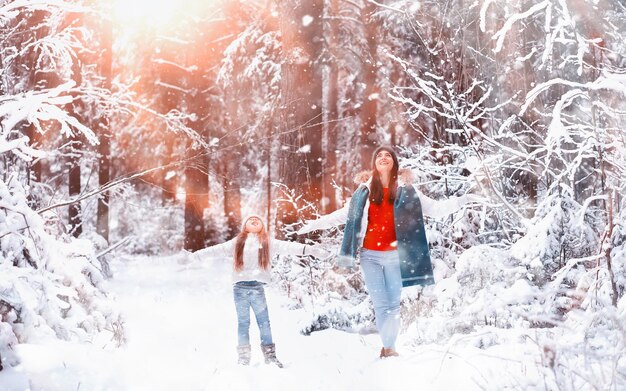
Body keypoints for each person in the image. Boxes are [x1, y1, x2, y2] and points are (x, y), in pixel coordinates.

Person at [298, 145, 480, 358]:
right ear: (374, 163)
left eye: (388, 155)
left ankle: (388, 347)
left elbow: (437, 210)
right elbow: (342, 215)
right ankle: (390, 348)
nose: (383, 158)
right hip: (370, 257)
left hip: (396, 256)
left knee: (393, 305)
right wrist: (315, 224)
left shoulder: (407, 190)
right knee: (381, 304)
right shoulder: (363, 192)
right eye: (379, 156)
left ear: (394, 162)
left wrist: (464, 200)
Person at [189, 214, 328, 367]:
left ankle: (270, 357)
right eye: (250, 219)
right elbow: (217, 249)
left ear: (262, 226)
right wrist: (196, 256)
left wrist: (310, 250)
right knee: (243, 323)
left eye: (258, 219)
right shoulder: (237, 242)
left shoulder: (267, 242)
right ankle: (243, 358)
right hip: (239, 289)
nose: (254, 220)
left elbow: (288, 247)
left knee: (264, 323)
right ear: (245, 226)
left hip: (257, 288)